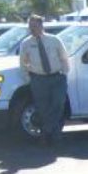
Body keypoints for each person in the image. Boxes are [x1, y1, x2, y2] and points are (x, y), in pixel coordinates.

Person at [19, 15, 70, 145]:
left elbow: (64, 57)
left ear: (42, 26)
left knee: (58, 104)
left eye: (35, 26)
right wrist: (27, 78)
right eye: (30, 26)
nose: (32, 29)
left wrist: (64, 72)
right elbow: (23, 63)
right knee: (43, 108)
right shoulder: (26, 43)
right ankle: (54, 135)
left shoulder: (54, 40)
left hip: (57, 78)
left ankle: (46, 132)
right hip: (38, 80)